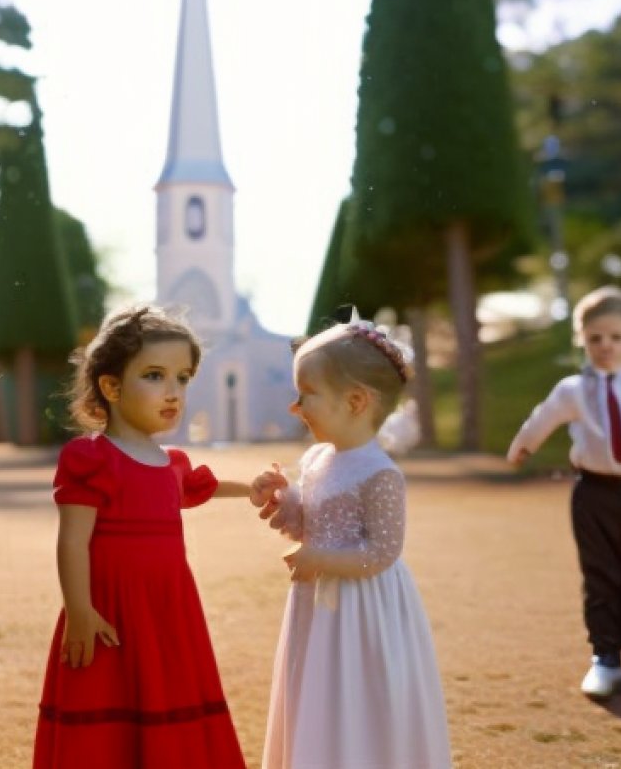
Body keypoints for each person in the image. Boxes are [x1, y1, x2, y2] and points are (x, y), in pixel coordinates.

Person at [33, 305, 284, 769]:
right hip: (108, 612)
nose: (173, 392)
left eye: (183, 378)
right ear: (110, 387)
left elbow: (195, 489)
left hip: (168, 612)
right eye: (154, 375)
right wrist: (80, 611)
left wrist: (249, 489)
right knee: (108, 713)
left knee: (169, 703)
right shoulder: (91, 459)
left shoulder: (171, 461)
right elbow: (71, 542)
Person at [255, 321, 452, 769]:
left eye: (307, 392)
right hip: (315, 601)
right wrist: (284, 500)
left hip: (363, 609)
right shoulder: (316, 459)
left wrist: (319, 559)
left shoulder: (380, 473)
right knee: (316, 685)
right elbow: (308, 522)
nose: (294, 405)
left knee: (357, 690)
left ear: (356, 401)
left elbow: (382, 553)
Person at [506, 286, 621, 703]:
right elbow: (542, 417)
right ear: (582, 342)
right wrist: (522, 447)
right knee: (600, 574)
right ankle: (604, 658)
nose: (605, 346)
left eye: (616, 337)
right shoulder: (573, 390)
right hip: (593, 494)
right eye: (595, 338)